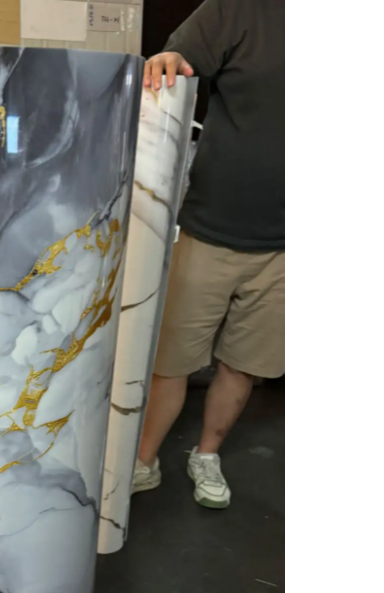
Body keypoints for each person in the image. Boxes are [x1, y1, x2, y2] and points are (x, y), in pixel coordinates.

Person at [134, 0, 284, 509]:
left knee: (244, 365)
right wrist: (168, 61)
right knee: (171, 361)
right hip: (210, 230)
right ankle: (145, 460)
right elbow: (179, 59)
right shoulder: (240, 8)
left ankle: (207, 454)